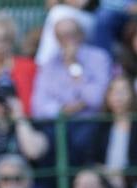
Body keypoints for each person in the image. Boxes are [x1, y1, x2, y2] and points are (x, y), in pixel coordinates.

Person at [31, 17, 110, 165]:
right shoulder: (49, 64)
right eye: (61, 36)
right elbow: (39, 107)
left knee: (82, 140)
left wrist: (74, 66)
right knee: (44, 142)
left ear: (81, 35)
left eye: (71, 34)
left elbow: (96, 100)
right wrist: (63, 109)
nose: (67, 40)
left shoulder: (99, 58)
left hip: (89, 122)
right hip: (57, 123)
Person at [89, 73, 137, 188]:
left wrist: (123, 175)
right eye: (114, 91)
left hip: (131, 181)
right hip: (105, 179)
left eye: (123, 91)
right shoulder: (102, 125)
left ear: (133, 95)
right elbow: (92, 158)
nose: (118, 96)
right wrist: (109, 174)